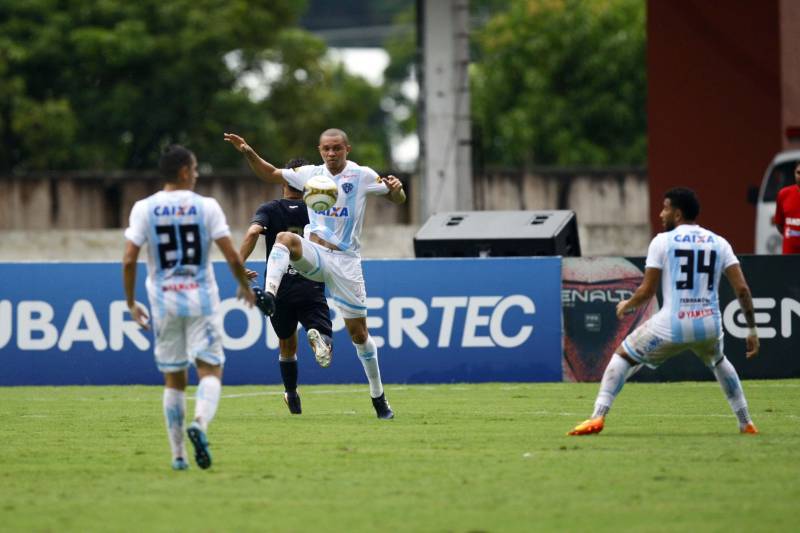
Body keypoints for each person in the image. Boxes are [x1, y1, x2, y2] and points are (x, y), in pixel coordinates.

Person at [224, 128, 406, 419]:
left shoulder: (361, 175)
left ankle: (378, 398)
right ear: (319, 149)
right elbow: (270, 173)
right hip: (317, 254)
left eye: (336, 148)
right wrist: (248, 151)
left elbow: (397, 199)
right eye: (326, 149)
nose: (331, 154)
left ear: (347, 148)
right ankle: (269, 295)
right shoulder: (309, 173)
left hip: (346, 261)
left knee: (359, 336)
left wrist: (396, 189)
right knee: (284, 238)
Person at [568, 187, 760, 436]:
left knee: (623, 357)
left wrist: (628, 305)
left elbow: (647, 291)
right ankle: (746, 422)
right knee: (719, 361)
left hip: (673, 323)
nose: (661, 214)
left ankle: (597, 416)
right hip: (709, 325)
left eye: (665, 208)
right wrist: (752, 330)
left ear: (677, 214)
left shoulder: (662, 241)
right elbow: (742, 289)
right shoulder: (719, 242)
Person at [122, 144, 255, 470]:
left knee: (174, 379)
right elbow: (232, 256)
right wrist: (243, 284)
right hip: (201, 300)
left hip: (163, 302)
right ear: (184, 171)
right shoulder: (206, 206)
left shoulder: (144, 208)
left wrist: (129, 302)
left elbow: (129, 258)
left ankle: (178, 456)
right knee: (210, 370)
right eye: (194, 170)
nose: (196, 175)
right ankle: (200, 422)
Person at [239, 157, 334, 415]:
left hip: (278, 287)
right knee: (322, 332)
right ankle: (318, 337)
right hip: (309, 283)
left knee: (287, 343)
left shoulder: (269, 209)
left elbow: (251, 234)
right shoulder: (318, 210)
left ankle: (291, 392)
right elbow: (330, 244)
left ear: (284, 180)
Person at [773, 160, 800, 254]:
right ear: (794, 173)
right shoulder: (784, 194)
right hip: (789, 255)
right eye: (798, 172)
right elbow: (779, 223)